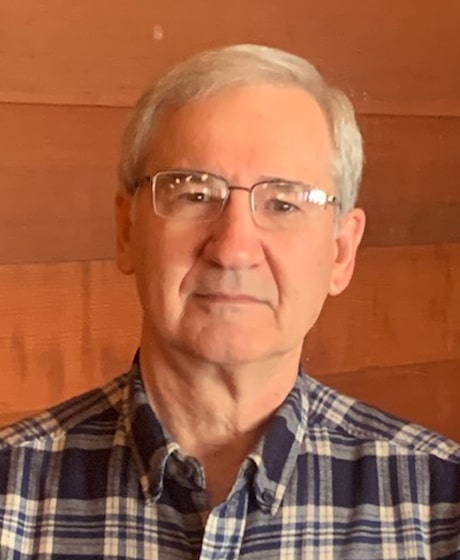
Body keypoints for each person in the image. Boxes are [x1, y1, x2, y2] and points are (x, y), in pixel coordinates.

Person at [0, 44, 459, 559]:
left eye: (284, 203)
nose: (233, 248)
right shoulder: (9, 496)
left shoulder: (440, 508)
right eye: (195, 194)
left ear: (341, 251)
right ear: (127, 230)